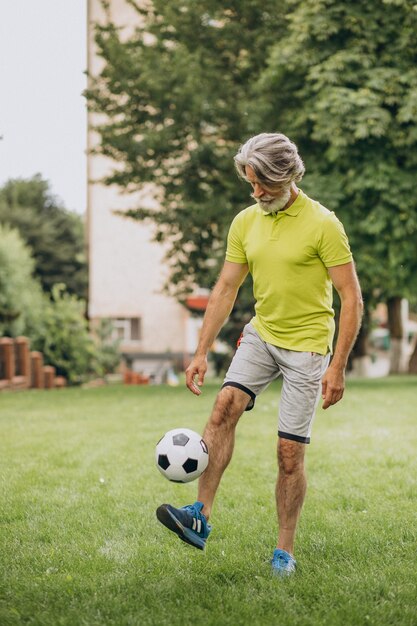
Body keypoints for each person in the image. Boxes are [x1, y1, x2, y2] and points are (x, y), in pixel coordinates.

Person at [156, 132, 363, 576]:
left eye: (263, 184)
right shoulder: (245, 221)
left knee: (289, 453)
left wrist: (338, 365)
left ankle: (284, 551)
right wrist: (199, 352)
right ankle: (200, 516)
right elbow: (227, 287)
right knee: (224, 405)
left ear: (289, 176)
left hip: (307, 347)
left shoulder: (323, 224)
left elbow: (351, 296)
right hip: (262, 334)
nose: (256, 193)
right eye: (251, 184)